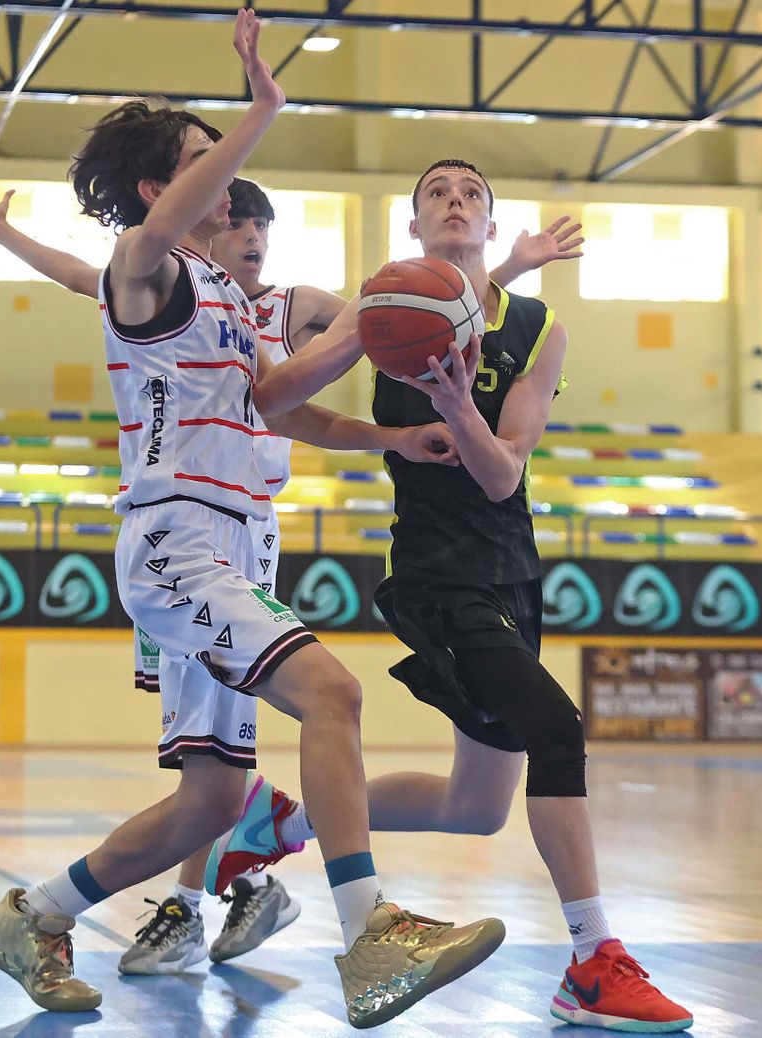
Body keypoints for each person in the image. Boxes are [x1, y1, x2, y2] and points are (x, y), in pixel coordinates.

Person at [0, 15, 506, 1027]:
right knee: (332, 694)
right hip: (176, 541)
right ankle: (371, 934)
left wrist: (383, 420)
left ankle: (31, 917)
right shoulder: (142, 266)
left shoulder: (219, 290)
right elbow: (155, 237)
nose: (220, 168)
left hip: (223, 541)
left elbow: (276, 400)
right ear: (156, 190)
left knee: (212, 802)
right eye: (198, 157)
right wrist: (264, 107)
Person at [201, 158, 693, 1033]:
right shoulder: (384, 307)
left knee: (476, 808)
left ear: (491, 227)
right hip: (438, 576)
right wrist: (383, 406)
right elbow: (276, 400)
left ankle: (284, 822)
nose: (456, 202)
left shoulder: (540, 327)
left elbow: (504, 477)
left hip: (514, 569)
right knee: (557, 728)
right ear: (415, 229)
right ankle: (591, 960)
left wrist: (461, 405)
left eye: (472, 195)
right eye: (437, 195)